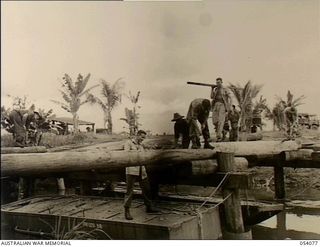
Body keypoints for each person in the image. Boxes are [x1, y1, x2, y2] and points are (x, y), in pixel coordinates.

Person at [123, 130, 159, 220]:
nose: (143, 139)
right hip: (131, 170)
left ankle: (149, 207)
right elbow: (126, 155)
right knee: (129, 191)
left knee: (147, 189)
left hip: (141, 170)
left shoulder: (141, 145)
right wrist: (138, 152)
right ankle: (127, 211)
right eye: (142, 137)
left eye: (144, 138)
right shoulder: (128, 143)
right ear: (137, 135)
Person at [211, 77, 231, 142]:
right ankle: (223, 132)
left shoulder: (225, 89)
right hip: (215, 105)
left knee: (220, 121)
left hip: (222, 105)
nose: (217, 84)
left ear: (221, 82)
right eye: (216, 82)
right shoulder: (215, 89)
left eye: (219, 82)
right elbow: (211, 97)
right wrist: (212, 89)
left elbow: (230, 97)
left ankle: (219, 137)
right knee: (214, 121)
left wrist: (229, 106)